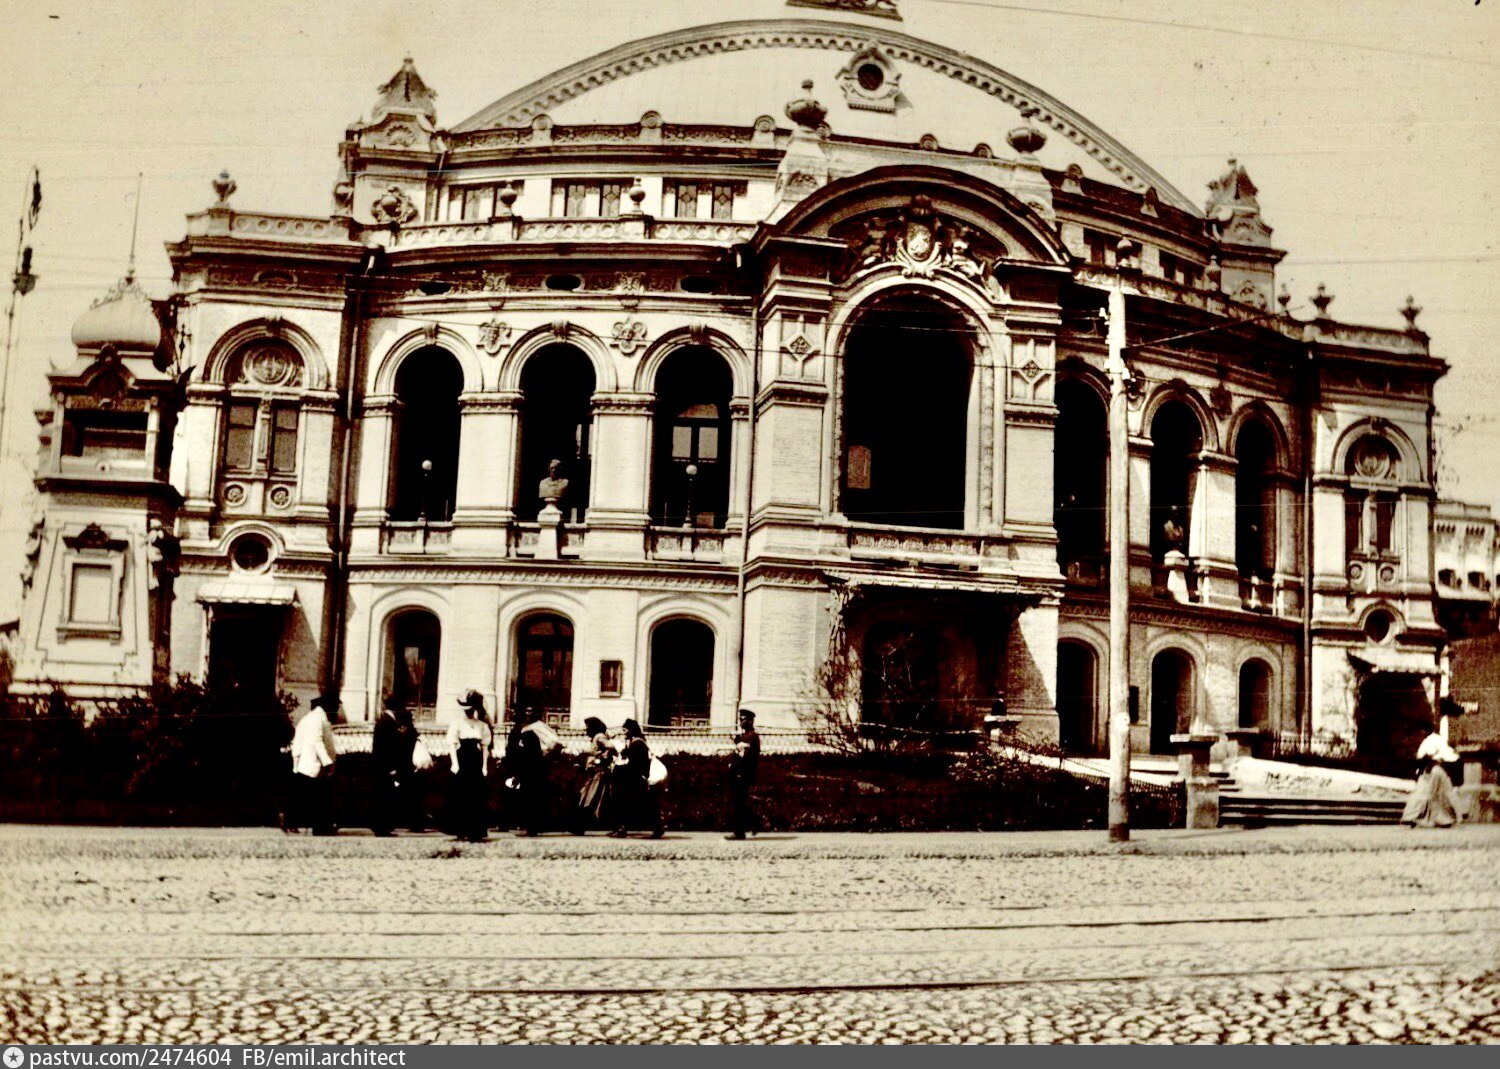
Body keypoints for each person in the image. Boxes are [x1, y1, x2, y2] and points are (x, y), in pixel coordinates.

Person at [446, 691, 494, 842]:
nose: (468, 712)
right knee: (461, 795)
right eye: (466, 709)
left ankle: (475, 831)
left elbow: (485, 747)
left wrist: (484, 766)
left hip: (475, 761)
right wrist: (454, 763)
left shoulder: (482, 726)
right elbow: (452, 744)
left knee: (475, 796)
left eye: (471, 709)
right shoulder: (457, 724)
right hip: (462, 760)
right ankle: (460, 830)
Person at [287, 695, 338, 835]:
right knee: (319, 799)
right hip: (314, 765)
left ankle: (294, 823)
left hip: (306, 765)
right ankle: (321, 827)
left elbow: (298, 743)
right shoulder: (317, 719)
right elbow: (317, 741)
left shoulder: (309, 718)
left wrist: (296, 762)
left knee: (306, 797)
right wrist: (327, 761)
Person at [506, 707, 560, 837]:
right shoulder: (520, 728)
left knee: (535, 796)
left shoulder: (539, 727)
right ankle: (525, 824)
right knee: (524, 796)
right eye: (526, 710)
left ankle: (534, 827)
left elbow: (554, 743)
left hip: (536, 766)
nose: (528, 713)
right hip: (523, 766)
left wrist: (545, 757)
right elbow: (513, 748)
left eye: (531, 711)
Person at [371, 696, 420, 836]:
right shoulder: (388, 722)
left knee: (385, 796)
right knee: (384, 797)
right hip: (386, 766)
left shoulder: (386, 721)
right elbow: (388, 748)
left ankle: (383, 827)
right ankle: (381, 828)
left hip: (384, 766)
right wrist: (391, 768)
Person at [609, 718, 663, 839]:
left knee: (631, 804)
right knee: (639, 804)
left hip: (636, 780)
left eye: (625, 730)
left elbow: (634, 764)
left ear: (631, 730)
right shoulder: (635, 742)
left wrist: (618, 768)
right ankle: (656, 827)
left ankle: (623, 829)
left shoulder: (637, 743)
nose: (623, 733)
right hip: (635, 778)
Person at [1401, 732, 1461, 828]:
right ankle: (1443, 819)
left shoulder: (1428, 743)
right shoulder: (1437, 742)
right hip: (1435, 771)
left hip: (1430, 771)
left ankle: (1411, 816)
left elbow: (1423, 758)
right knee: (1439, 794)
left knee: (1426, 793)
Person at [572, 717, 613, 835]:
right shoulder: (597, 738)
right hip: (594, 773)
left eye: (587, 727)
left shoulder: (599, 737)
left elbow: (610, 747)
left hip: (598, 773)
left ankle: (580, 826)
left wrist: (599, 756)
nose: (586, 730)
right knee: (588, 798)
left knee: (590, 798)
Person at [726, 708, 761, 840]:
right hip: (737, 774)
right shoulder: (744, 736)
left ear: (751, 721)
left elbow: (748, 758)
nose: (741, 722)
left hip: (743, 774)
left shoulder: (752, 736)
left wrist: (741, 771)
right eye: (740, 719)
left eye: (744, 719)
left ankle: (739, 832)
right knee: (739, 802)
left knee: (738, 803)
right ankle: (754, 822)